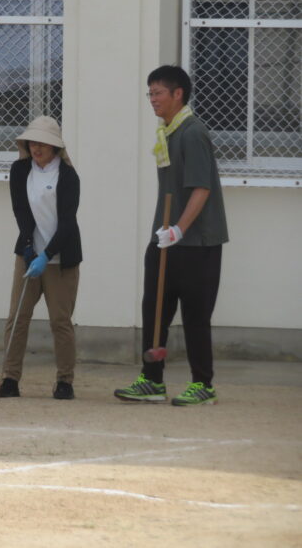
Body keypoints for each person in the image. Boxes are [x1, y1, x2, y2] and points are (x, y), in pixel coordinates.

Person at [114, 65, 228, 406]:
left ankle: (203, 384)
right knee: (155, 309)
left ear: (178, 94)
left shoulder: (192, 132)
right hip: (165, 239)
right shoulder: (168, 133)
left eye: (157, 93)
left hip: (197, 243)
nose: (152, 100)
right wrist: (167, 233)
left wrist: (179, 229)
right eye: (149, 93)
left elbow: (201, 189)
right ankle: (152, 380)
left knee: (195, 315)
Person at [0, 116, 82, 400]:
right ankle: (9, 379)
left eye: (43, 143)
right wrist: (30, 249)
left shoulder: (68, 176)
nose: (36, 148)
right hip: (29, 256)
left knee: (60, 321)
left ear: (55, 147)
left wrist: (47, 255)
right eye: (32, 142)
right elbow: (21, 211)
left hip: (61, 259)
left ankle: (65, 381)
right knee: (17, 317)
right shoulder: (20, 170)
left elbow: (67, 223)